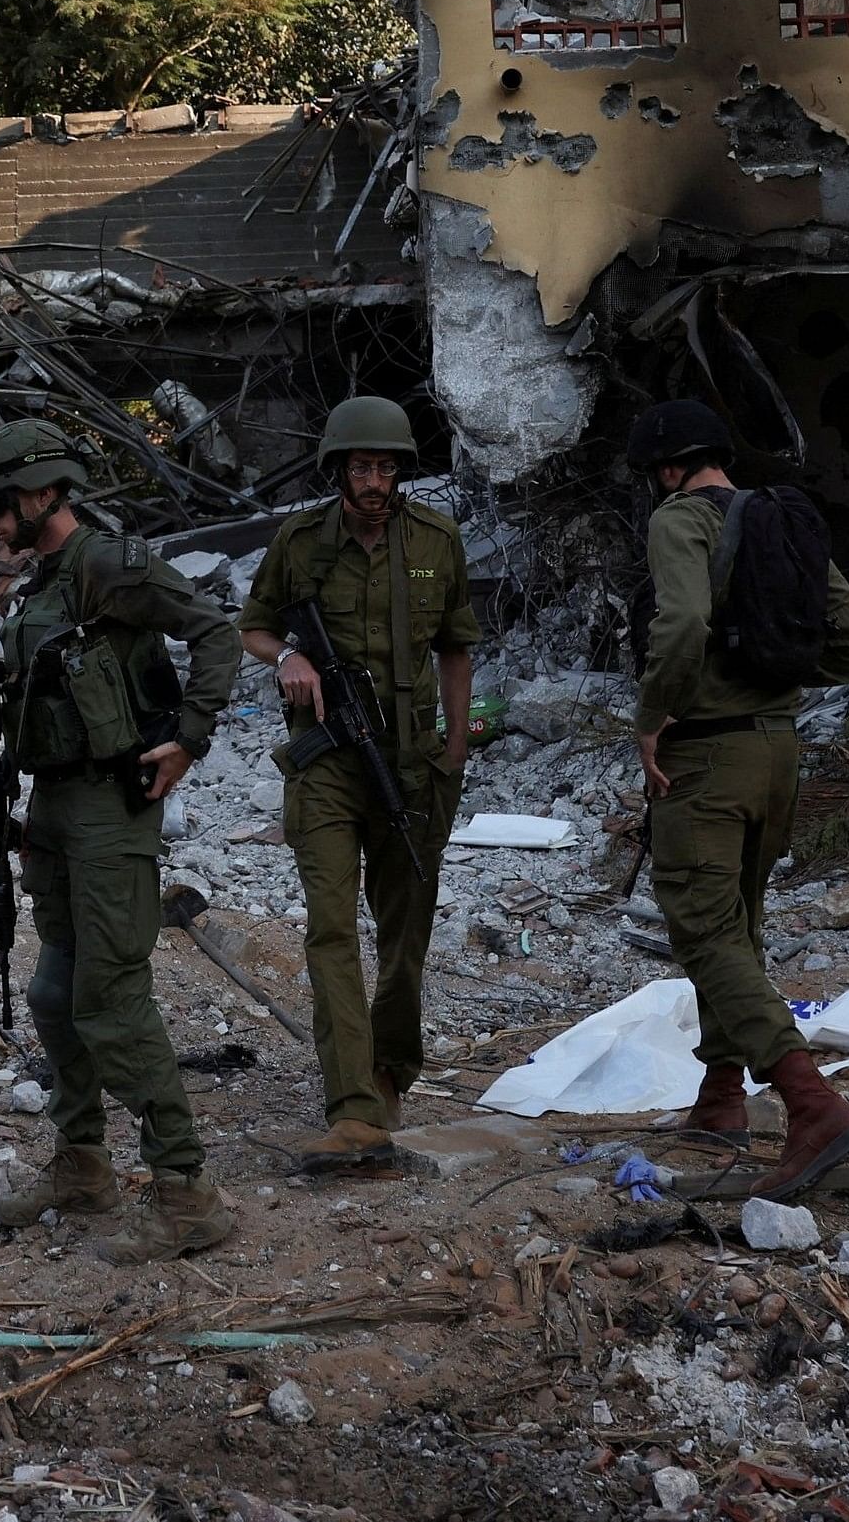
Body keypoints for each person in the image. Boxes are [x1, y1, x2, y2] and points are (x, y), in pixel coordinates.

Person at [0, 419, 244, 1262]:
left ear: (44, 491)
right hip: (53, 805)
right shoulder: (45, 580)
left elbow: (216, 633)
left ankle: (188, 1193)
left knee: (111, 1001)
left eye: (0, 505)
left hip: (112, 808)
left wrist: (190, 736)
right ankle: (83, 1165)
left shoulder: (108, 565)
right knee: (53, 994)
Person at [629, 398, 849, 1197]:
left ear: (668, 470)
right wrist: (768, 675)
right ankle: (719, 1099)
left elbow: (680, 626)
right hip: (777, 753)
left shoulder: (679, 519)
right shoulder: (777, 518)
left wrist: (653, 714)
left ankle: (811, 1104)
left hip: (704, 758)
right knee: (737, 926)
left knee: (705, 933)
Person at [238, 396, 477, 1168]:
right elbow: (254, 624)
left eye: (386, 467)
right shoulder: (301, 541)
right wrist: (288, 659)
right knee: (332, 928)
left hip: (410, 761)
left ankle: (389, 1068)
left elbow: (456, 645)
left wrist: (456, 740)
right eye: (361, 466)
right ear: (337, 469)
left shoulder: (437, 541)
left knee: (406, 926)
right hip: (330, 763)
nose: (375, 480)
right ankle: (349, 1105)